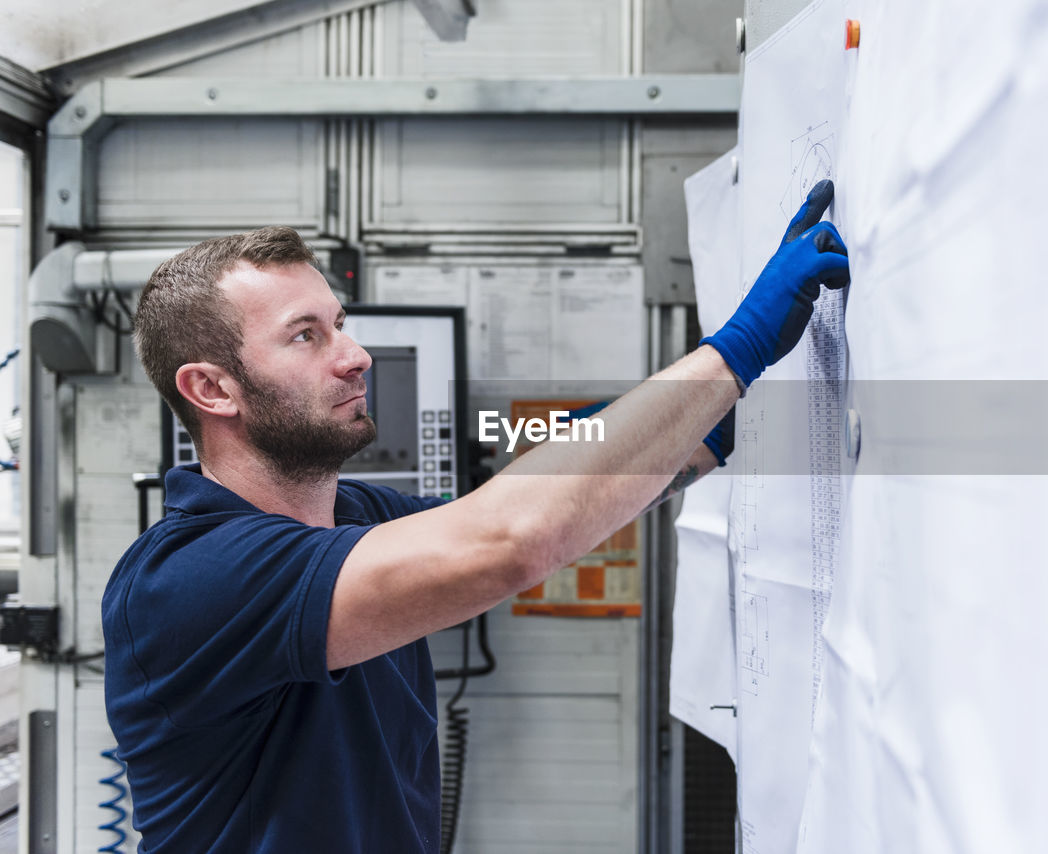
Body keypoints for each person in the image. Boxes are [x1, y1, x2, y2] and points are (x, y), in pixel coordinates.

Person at [102, 179, 850, 852]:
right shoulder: (189, 576)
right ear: (212, 389)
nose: (355, 354)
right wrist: (733, 352)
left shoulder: (354, 515)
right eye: (308, 335)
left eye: (341, 323)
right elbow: (508, 540)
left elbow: (523, 496)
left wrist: (697, 432)